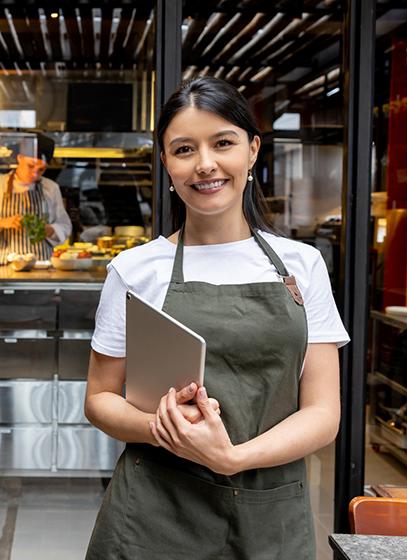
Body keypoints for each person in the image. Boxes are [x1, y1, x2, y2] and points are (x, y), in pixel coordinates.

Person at [84, 77, 349, 559]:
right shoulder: (134, 270)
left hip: (270, 516)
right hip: (154, 517)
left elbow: (324, 414)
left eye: (222, 143)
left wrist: (232, 458)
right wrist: (162, 429)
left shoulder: (302, 266)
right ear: (166, 164)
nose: (205, 164)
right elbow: (100, 398)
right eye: (184, 149)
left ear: (252, 150)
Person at [0, 133, 72, 265]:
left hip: (41, 266)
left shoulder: (51, 188)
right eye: (30, 166)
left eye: (41, 170)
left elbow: (65, 226)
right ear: (19, 158)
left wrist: (49, 230)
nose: (35, 174)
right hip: (2, 266)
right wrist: (1, 222)